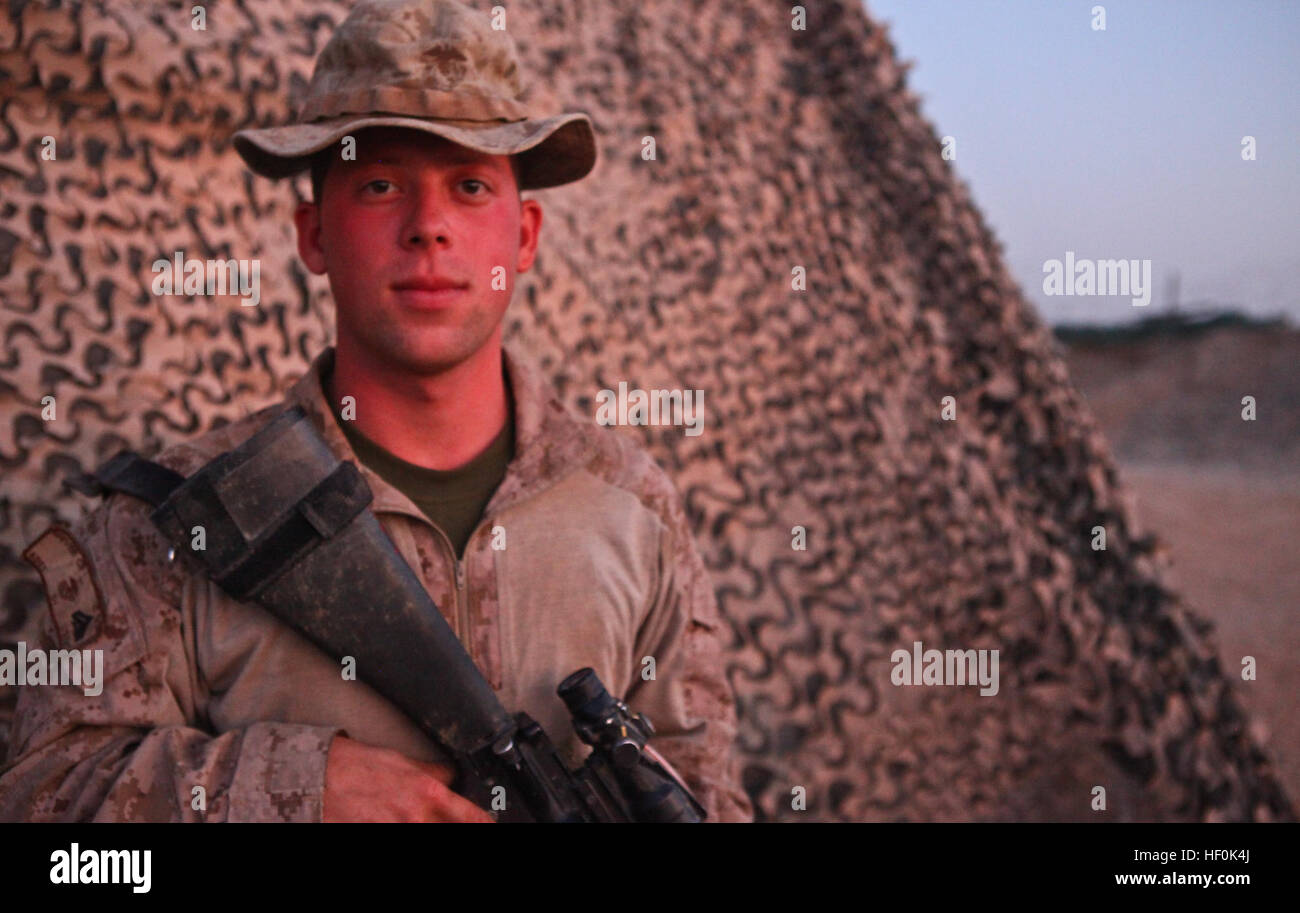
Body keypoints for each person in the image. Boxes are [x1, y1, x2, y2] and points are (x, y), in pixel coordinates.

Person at [0, 0, 753, 823]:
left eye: (469, 186)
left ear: (525, 237)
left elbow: (709, 793)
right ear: (314, 234)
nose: (428, 228)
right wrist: (300, 787)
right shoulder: (169, 519)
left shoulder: (633, 508)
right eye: (381, 183)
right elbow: (48, 798)